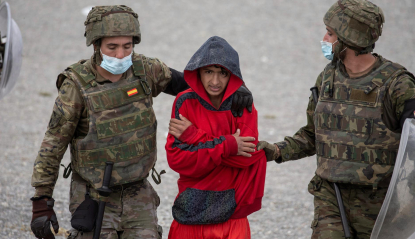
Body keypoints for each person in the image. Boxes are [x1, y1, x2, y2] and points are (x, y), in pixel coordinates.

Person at [30, 6, 253, 239]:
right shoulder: (76, 85)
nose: (120, 55)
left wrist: (236, 89)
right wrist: (41, 200)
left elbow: (192, 85)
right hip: (93, 194)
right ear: (96, 46)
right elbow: (53, 143)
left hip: (138, 191)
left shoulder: (145, 70)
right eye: (112, 47)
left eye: (127, 47)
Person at [257, 0, 415, 238]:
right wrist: (275, 150)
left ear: (350, 38)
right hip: (330, 196)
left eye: (330, 33)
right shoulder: (327, 78)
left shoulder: (397, 85)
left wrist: (411, 207)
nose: (324, 39)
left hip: (379, 203)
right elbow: (313, 135)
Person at [165, 36, 267, 239]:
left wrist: (194, 136)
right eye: (208, 72)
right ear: (198, 72)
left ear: (232, 75)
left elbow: (246, 157)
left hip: (232, 214)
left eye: (223, 73)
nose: (215, 81)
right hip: (191, 208)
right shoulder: (184, 101)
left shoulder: (241, 104)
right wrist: (229, 144)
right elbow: (177, 160)